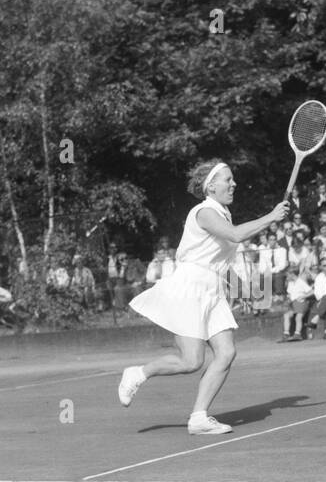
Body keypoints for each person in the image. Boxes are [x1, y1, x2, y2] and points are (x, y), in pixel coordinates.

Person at [118, 160, 289, 435]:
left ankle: (198, 417)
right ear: (211, 186)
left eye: (233, 180)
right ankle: (138, 373)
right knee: (191, 361)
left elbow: (223, 261)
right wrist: (271, 216)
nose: (233, 184)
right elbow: (235, 236)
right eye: (227, 180)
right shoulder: (204, 212)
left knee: (227, 352)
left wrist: (243, 289)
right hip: (189, 287)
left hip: (213, 290)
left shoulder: (224, 214)